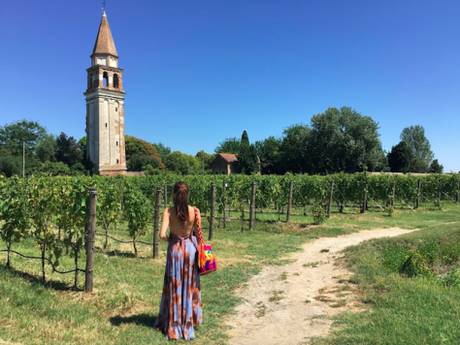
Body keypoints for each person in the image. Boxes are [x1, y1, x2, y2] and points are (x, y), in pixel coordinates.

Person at [154, 182, 202, 340]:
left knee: (174, 285)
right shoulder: (195, 211)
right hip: (190, 251)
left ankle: (173, 323)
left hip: (175, 250)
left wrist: (171, 239)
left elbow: (162, 234)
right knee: (189, 285)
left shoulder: (168, 211)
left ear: (174, 194)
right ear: (187, 194)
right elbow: (198, 234)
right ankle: (188, 322)